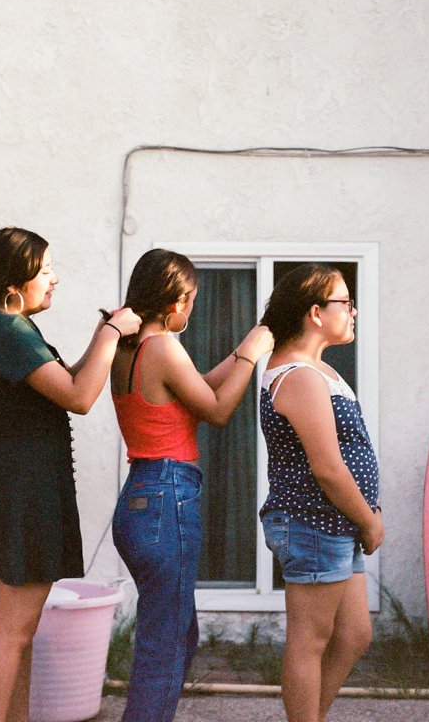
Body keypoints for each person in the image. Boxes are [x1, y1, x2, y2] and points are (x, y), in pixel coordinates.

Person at [0, 227, 140, 722]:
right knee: (12, 630)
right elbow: (79, 397)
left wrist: (104, 338)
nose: (55, 279)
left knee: (20, 629)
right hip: (23, 487)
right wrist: (113, 334)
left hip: (25, 481)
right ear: (15, 282)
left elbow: (66, 381)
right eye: (46, 269)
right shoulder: (5, 330)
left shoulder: (12, 327)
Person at [109, 249, 273, 722]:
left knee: (177, 633)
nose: (192, 310)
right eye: (192, 300)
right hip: (167, 497)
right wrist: (251, 354)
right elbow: (218, 410)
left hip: (140, 497)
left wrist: (244, 350)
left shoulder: (131, 348)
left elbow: (198, 390)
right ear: (175, 302)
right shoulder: (162, 347)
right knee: (166, 643)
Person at [258, 264, 382, 722]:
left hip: (335, 522)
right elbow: (328, 467)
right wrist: (369, 519)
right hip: (312, 522)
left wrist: (369, 510)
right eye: (345, 302)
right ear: (315, 312)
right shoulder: (299, 377)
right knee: (310, 640)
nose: (353, 311)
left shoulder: (318, 370)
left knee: (353, 634)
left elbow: (353, 452)